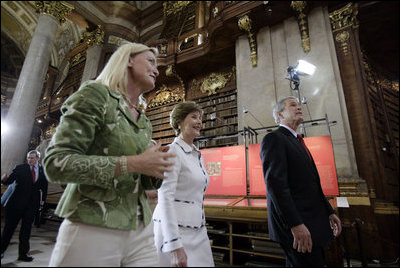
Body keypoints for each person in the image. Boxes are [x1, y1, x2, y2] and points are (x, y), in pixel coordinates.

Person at [43, 42, 176, 267]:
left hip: (141, 227)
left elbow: (141, 178)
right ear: (129, 60)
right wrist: (134, 163)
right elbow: (56, 163)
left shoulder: (144, 121)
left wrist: (156, 170)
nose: (157, 69)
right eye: (151, 61)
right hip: (93, 223)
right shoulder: (95, 94)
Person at [259, 96, 342, 267]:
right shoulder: (274, 139)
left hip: (312, 221)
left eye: (299, 104)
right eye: (293, 105)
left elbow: (311, 184)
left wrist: (329, 211)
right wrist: (295, 224)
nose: (299, 107)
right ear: (279, 114)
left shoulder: (297, 140)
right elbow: (276, 187)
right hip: (298, 226)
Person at [152, 101, 214, 267]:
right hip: (175, 233)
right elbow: (165, 198)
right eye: (194, 117)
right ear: (179, 122)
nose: (199, 121)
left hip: (198, 230)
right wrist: (173, 244)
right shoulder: (173, 151)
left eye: (200, 118)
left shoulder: (196, 155)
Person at [1, 150, 48, 262]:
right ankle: (1, 251)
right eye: (28, 158)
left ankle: (23, 254)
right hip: (16, 204)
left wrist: (43, 200)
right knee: (9, 229)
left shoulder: (42, 170)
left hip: (31, 206)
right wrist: (4, 179)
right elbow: (9, 181)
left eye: (32, 158)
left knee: (26, 230)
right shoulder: (20, 168)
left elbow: (44, 186)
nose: (30, 160)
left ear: (37, 158)